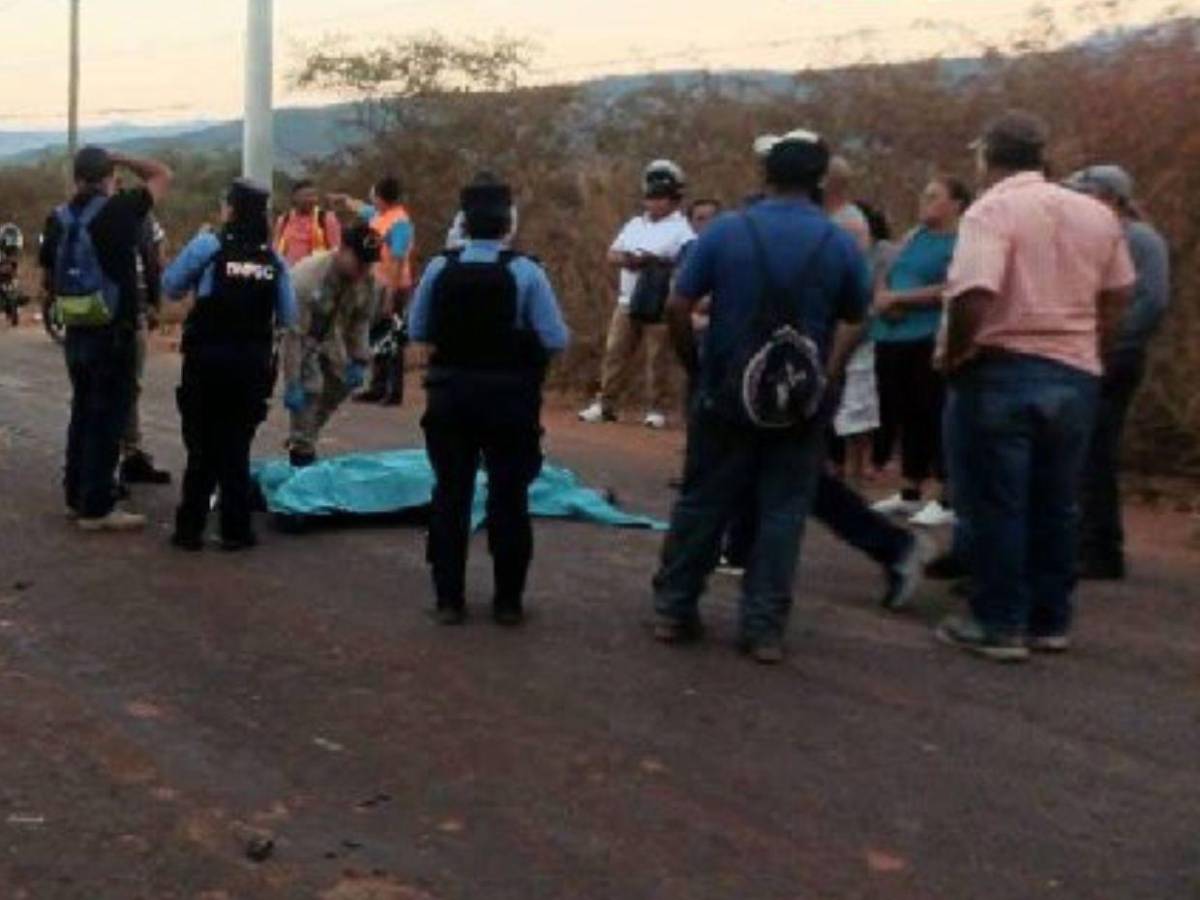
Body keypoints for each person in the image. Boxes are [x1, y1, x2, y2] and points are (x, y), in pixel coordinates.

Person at [652, 130, 871, 664]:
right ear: (820, 182)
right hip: (798, 401)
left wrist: (697, 367)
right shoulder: (838, 241)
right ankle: (763, 628)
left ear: (765, 175)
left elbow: (678, 305)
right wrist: (827, 374)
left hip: (726, 391)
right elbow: (858, 315)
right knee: (782, 511)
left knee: (704, 501)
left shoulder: (727, 231)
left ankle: (675, 608)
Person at [936, 111, 1135, 663]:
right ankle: (1050, 619)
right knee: (1057, 501)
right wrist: (1096, 341)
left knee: (997, 500)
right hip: (1074, 369)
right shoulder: (1095, 212)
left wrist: (955, 354)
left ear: (987, 157)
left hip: (1001, 365)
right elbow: (1120, 291)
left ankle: (998, 620)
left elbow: (975, 292)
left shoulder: (991, 210)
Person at [408, 178, 569, 626]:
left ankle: (449, 600)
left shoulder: (439, 268)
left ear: (462, 223)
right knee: (509, 497)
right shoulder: (527, 272)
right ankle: (507, 602)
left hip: (450, 396)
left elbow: (418, 329)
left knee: (450, 495)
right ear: (507, 224)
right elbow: (556, 338)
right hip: (510, 399)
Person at [39, 146, 172, 531]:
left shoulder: (58, 218)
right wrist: (122, 156)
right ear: (109, 177)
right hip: (114, 330)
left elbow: (47, 279)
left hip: (76, 328)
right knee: (108, 417)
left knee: (82, 412)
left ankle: (75, 495)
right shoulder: (119, 211)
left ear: (77, 179)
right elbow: (162, 173)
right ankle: (97, 508)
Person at [162, 179, 298, 551]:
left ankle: (190, 529)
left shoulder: (209, 246)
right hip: (251, 366)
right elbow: (289, 316)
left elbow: (171, 286)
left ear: (232, 210)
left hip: (206, 361)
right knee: (237, 448)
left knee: (201, 448)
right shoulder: (273, 260)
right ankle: (236, 531)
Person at [1066, 165, 1171, 580]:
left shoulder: (1140, 239)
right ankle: (1085, 541)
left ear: (1109, 197)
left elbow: (1153, 301)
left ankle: (1101, 550)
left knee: (1096, 450)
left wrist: (1111, 340)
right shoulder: (1103, 237)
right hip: (1091, 352)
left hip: (1116, 356)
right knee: (1083, 450)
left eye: (1084, 194)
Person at [871, 176, 972, 527]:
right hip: (891, 335)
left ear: (956, 204)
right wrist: (883, 296)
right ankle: (910, 489)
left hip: (927, 336)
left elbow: (953, 286)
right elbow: (889, 269)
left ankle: (946, 493)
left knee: (933, 412)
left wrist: (903, 298)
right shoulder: (914, 236)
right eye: (924, 195)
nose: (924, 202)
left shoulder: (962, 241)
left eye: (933, 196)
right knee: (904, 413)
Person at [578, 160, 695, 429]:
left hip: (659, 301)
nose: (654, 202)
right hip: (628, 298)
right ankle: (605, 404)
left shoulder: (682, 229)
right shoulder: (634, 224)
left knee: (657, 357)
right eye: (651, 197)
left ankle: (656, 408)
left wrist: (658, 262)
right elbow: (612, 254)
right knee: (615, 352)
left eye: (661, 197)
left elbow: (688, 260)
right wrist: (630, 260)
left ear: (673, 199)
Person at [281, 224, 381, 467]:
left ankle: (307, 434)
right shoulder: (308, 278)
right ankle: (302, 452)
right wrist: (292, 381)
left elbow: (360, 321)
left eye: (368, 264)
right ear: (343, 250)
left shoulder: (366, 281)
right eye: (359, 261)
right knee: (310, 389)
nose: (364, 269)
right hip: (303, 336)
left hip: (332, 336)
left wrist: (359, 358)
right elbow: (293, 335)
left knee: (339, 383)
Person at [332, 177, 415, 406]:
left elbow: (398, 259)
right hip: (376, 284)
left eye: (374, 194)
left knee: (392, 338)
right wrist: (345, 200)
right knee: (377, 336)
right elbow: (363, 209)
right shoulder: (381, 215)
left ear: (381, 197)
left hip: (393, 286)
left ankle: (393, 390)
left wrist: (391, 292)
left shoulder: (399, 222)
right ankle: (377, 386)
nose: (371, 198)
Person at [824, 158, 879, 486]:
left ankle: (846, 465)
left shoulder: (847, 222)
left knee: (846, 391)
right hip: (836, 316)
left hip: (845, 320)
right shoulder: (831, 218)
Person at [117, 214, 173, 489]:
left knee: (122, 388)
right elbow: (156, 262)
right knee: (125, 388)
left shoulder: (95, 213)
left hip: (112, 314)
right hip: (126, 316)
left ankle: (128, 454)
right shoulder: (142, 220)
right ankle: (114, 462)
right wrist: (154, 302)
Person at [274, 179, 342, 267]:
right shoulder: (284, 220)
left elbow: (336, 250)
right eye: (307, 196)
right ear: (295, 198)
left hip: (316, 271)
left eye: (314, 195)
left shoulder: (326, 219)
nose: (311, 199)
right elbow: (276, 248)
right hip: (288, 271)